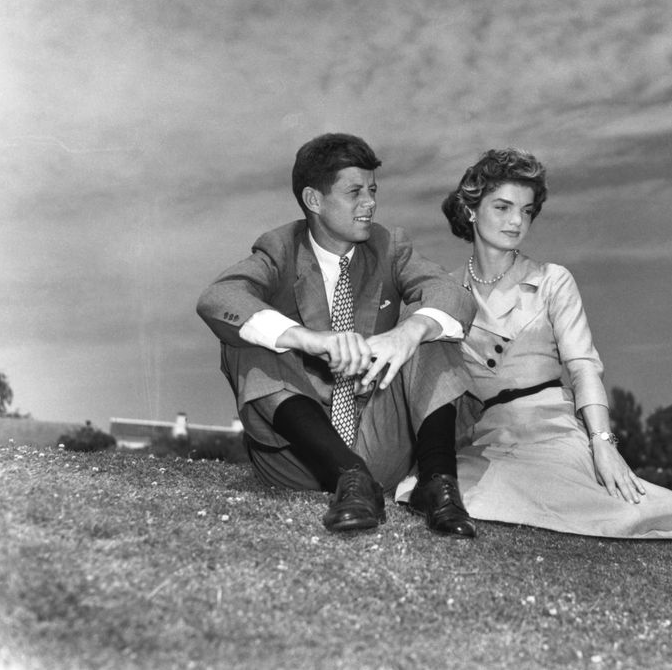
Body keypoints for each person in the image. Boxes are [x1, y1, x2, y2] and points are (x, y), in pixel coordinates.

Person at [396, 148, 672, 551]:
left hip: (550, 428)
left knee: (577, 493)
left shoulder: (553, 281)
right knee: (438, 490)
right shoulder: (447, 291)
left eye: (526, 211)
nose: (516, 222)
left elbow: (584, 366)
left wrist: (602, 443)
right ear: (470, 210)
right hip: (488, 434)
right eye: (503, 207)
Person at [197, 133, 479, 538]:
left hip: (380, 438)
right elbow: (219, 298)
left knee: (429, 326)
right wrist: (307, 338)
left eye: (373, 191)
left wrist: (409, 332)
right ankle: (349, 474)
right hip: (301, 458)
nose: (370, 203)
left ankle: (437, 485)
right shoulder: (280, 249)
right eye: (354, 192)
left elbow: (452, 295)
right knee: (249, 335)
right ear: (314, 200)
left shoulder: (389, 245)